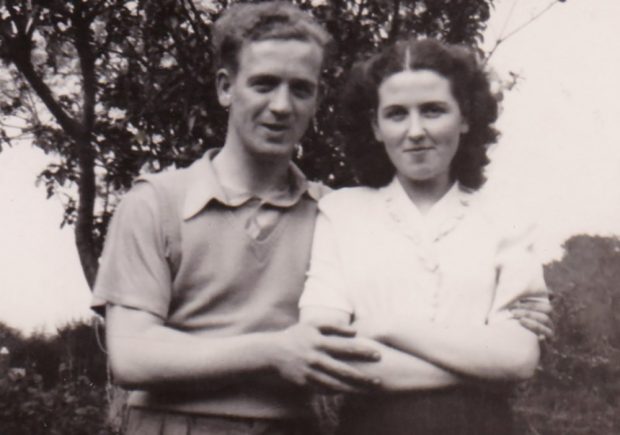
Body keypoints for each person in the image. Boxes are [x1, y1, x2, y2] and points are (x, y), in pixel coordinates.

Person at [92, 3, 385, 434]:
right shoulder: (156, 202)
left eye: (301, 89)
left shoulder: (335, 212)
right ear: (226, 87)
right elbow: (131, 355)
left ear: (318, 98)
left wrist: (512, 302)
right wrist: (273, 351)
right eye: (263, 84)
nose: (281, 105)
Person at [298, 37, 550, 435]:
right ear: (376, 128)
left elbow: (518, 357)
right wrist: (483, 365)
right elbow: (325, 353)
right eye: (397, 114)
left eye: (433, 111)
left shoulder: (506, 216)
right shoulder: (342, 214)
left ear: (465, 117)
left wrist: (385, 327)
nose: (415, 131)